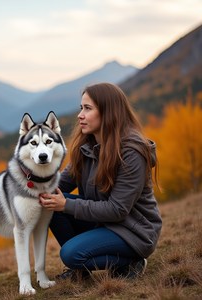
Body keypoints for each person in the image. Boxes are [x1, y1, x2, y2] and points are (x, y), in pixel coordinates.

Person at [39, 82, 162, 280]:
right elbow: (60, 185)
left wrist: (67, 204)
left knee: (70, 254)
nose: (80, 115)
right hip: (102, 223)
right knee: (50, 203)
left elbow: (117, 209)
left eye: (88, 108)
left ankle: (131, 262)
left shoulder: (131, 153)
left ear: (108, 112)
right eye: (81, 108)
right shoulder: (86, 146)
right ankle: (82, 268)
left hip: (133, 231)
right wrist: (30, 189)